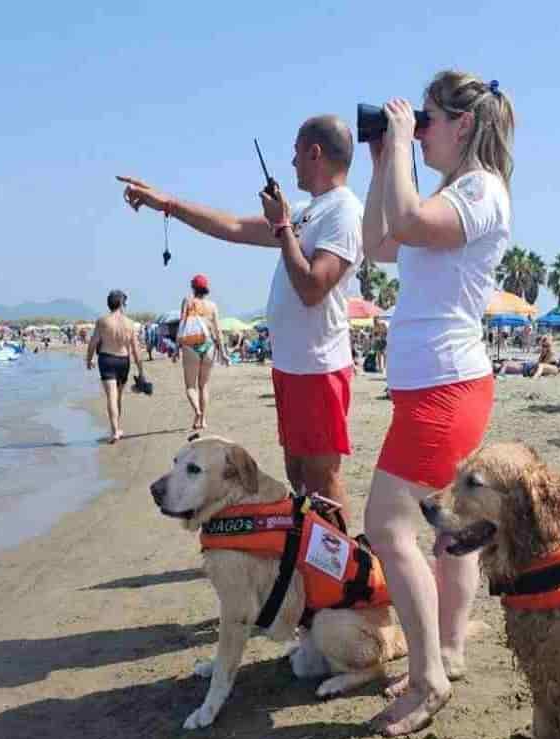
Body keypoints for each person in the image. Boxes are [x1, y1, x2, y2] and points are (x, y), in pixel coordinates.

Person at [362, 70, 514, 735]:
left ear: (464, 125)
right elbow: (378, 242)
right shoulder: (455, 192)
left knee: (390, 527)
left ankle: (427, 679)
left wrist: (399, 147)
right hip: (435, 388)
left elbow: (408, 218)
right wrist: (381, 158)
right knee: (451, 534)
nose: (418, 132)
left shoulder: (482, 190)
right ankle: (446, 651)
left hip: (445, 390)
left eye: (426, 121)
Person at [119, 114, 363, 512]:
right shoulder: (309, 210)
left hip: (318, 368)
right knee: (298, 473)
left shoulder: (344, 212)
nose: (291, 163)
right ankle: (310, 555)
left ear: (314, 153)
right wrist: (168, 203)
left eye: (296, 153)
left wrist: (283, 225)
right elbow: (231, 226)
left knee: (322, 478)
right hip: (291, 366)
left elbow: (313, 288)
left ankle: (336, 563)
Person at [86, 290, 145, 443]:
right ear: (120, 303)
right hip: (123, 361)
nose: (125, 305)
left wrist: (89, 359)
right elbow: (136, 349)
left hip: (106, 360)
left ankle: (114, 431)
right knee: (118, 396)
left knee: (111, 396)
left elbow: (93, 342)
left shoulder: (102, 321)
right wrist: (140, 370)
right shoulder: (130, 323)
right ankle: (117, 427)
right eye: (124, 303)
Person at [178, 274, 228, 431]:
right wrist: (223, 352)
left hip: (190, 345)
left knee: (190, 386)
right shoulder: (212, 306)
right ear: (206, 288)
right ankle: (203, 420)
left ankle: (197, 412)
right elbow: (218, 330)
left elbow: (182, 324)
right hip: (208, 345)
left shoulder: (187, 301)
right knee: (204, 385)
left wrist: (175, 347)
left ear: (193, 287)